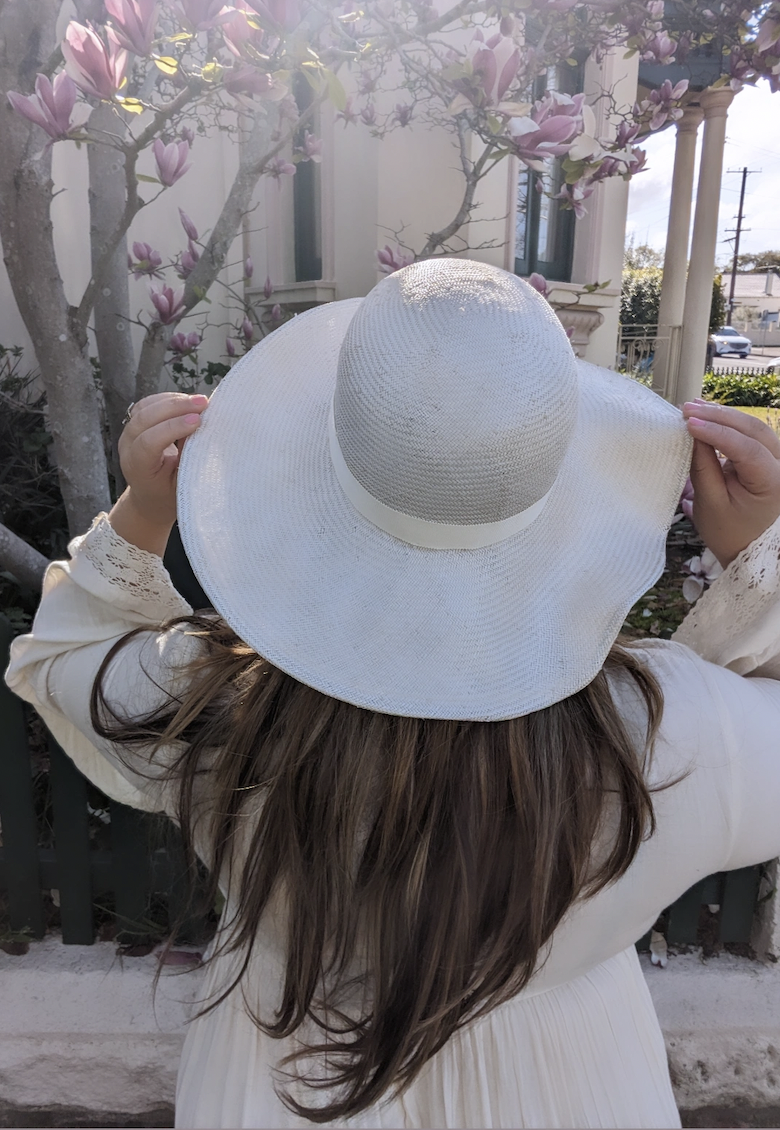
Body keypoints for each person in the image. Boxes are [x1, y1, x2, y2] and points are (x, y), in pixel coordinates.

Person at [6, 258, 780, 1130]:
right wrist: (765, 564)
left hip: (284, 1080)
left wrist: (142, 515)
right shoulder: (674, 731)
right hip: (571, 1088)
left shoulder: (210, 700)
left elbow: (61, 657)